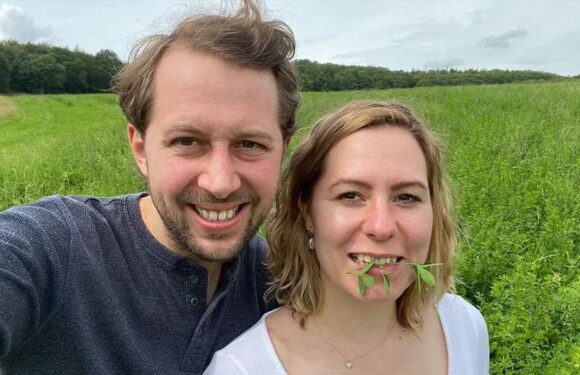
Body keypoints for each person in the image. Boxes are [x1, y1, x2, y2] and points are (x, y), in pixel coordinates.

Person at [0, 1, 299, 374]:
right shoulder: (53, 246)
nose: (220, 183)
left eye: (250, 144)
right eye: (188, 141)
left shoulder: (277, 280)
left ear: (282, 151)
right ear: (141, 149)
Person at [205, 101, 489, 374]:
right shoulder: (243, 368)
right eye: (350, 196)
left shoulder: (463, 327)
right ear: (307, 213)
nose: (381, 227)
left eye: (406, 197)